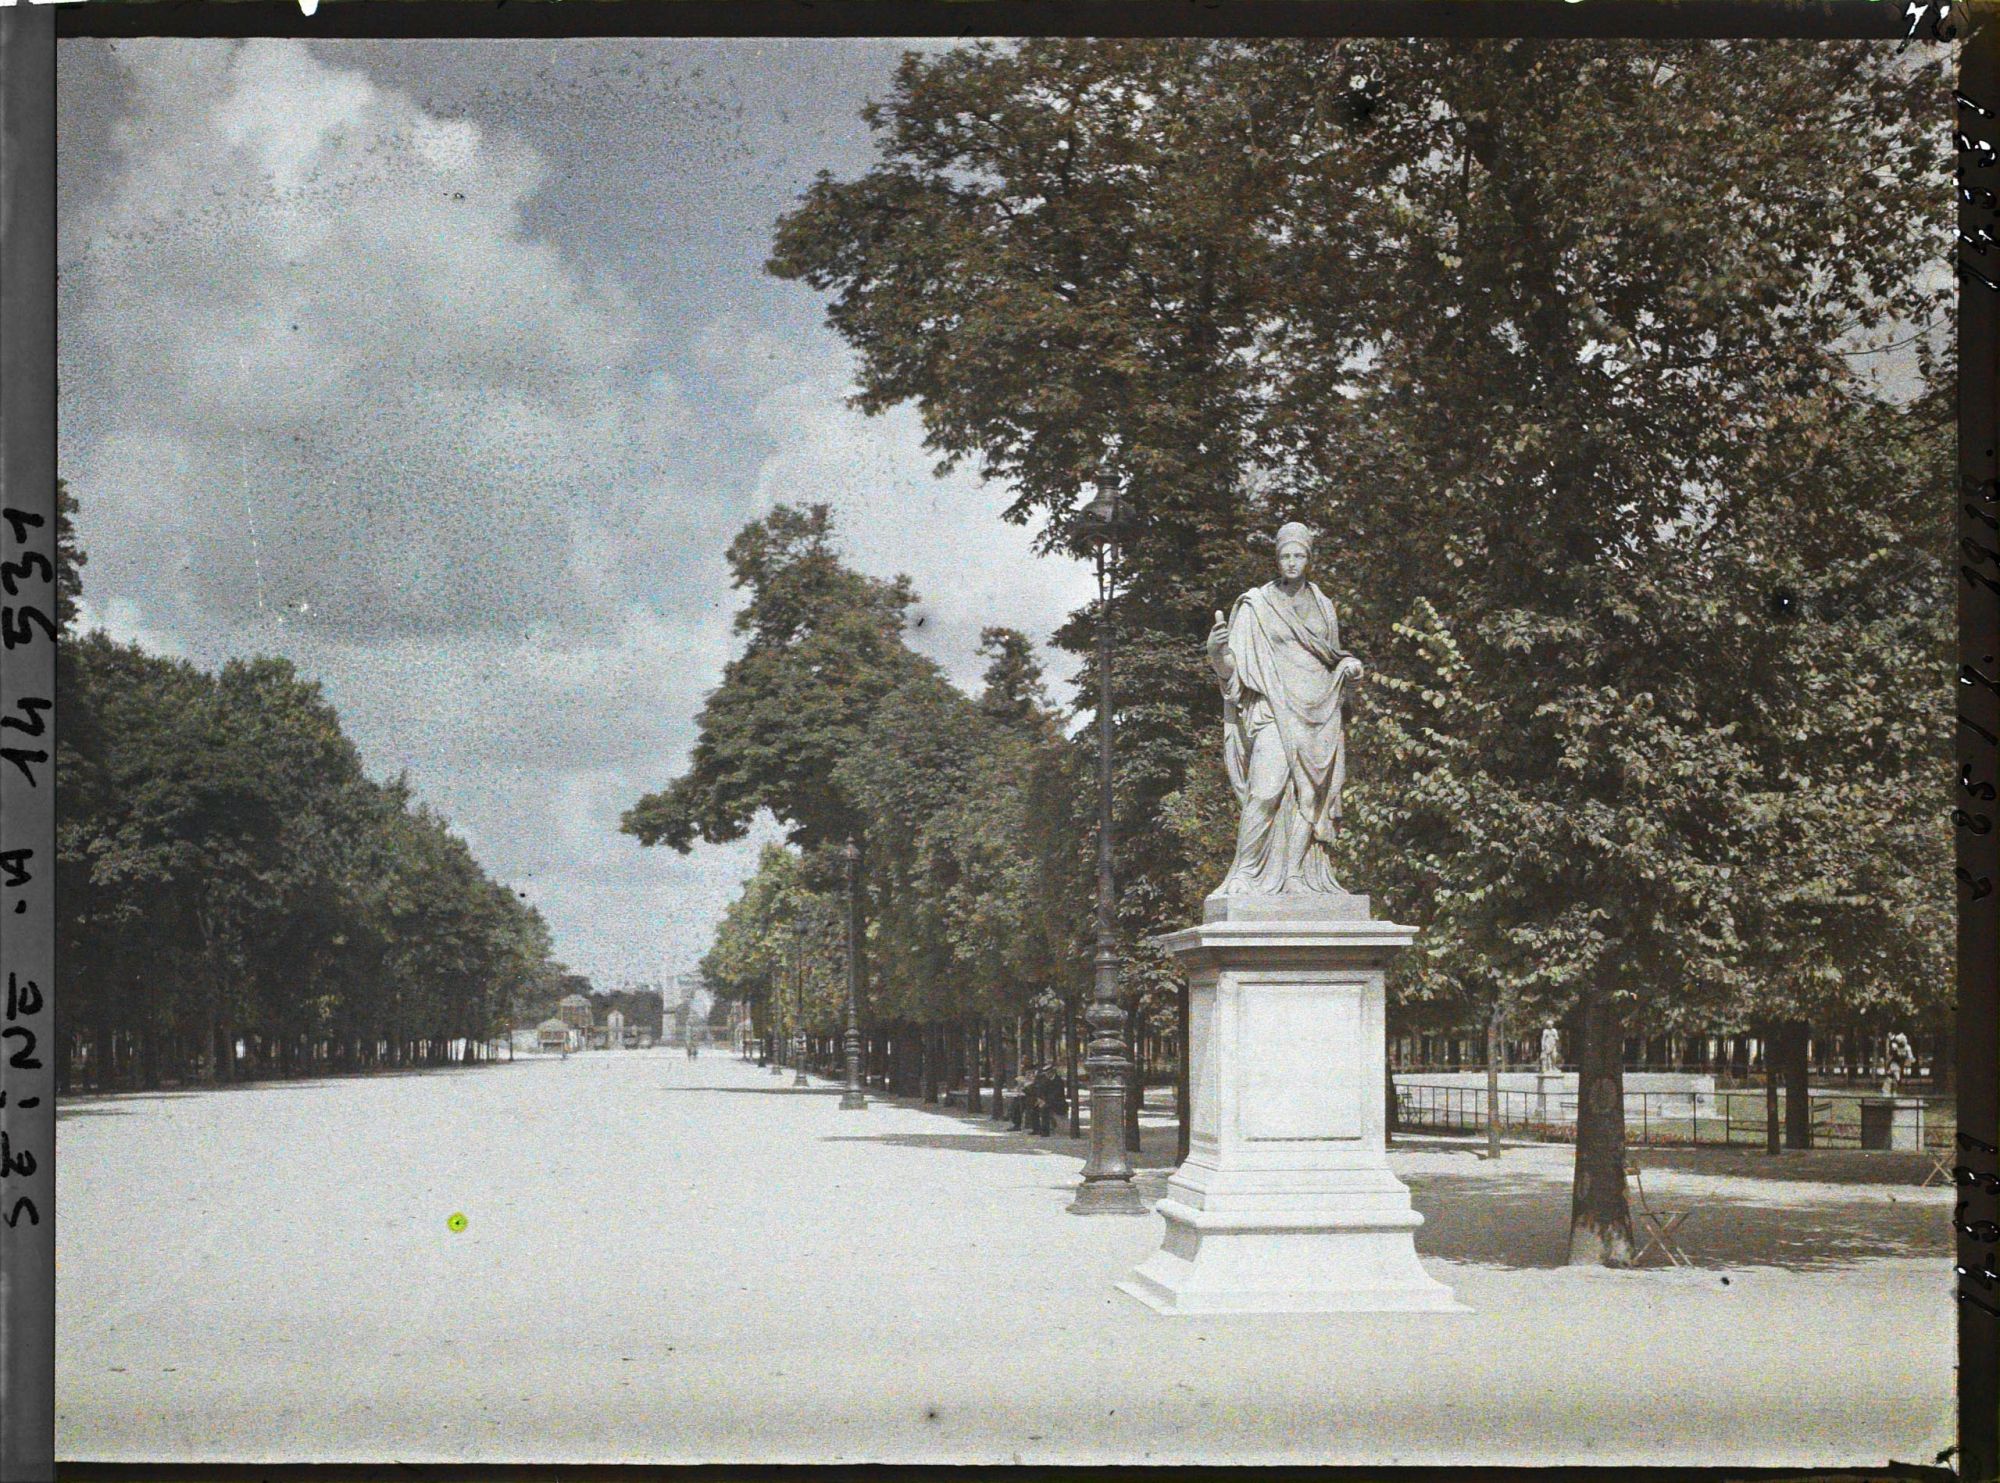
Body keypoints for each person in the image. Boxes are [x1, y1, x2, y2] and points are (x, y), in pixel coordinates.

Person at [1205, 523, 1365, 896]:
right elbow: (1235, 676)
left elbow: (1332, 657)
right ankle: (1245, 872)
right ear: (1276, 559)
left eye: (1299, 555)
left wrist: (1350, 669)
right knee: (1266, 790)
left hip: (1318, 711)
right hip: (1273, 709)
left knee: (1308, 797)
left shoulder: (1324, 606)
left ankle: (1296, 874)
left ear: (1309, 559)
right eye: (1285, 556)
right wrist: (1216, 653)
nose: (1292, 562)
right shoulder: (1256, 605)